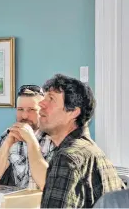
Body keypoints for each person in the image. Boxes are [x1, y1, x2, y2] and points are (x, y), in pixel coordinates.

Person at [9, 74, 124, 208]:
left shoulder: (67, 158)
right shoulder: (92, 151)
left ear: (73, 112)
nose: (41, 103)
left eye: (51, 99)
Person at [0, 85, 54, 189]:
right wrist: (7, 144)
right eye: (20, 109)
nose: (24, 116)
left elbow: (48, 185)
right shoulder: (8, 134)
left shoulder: (55, 138)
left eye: (31, 110)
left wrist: (31, 141)